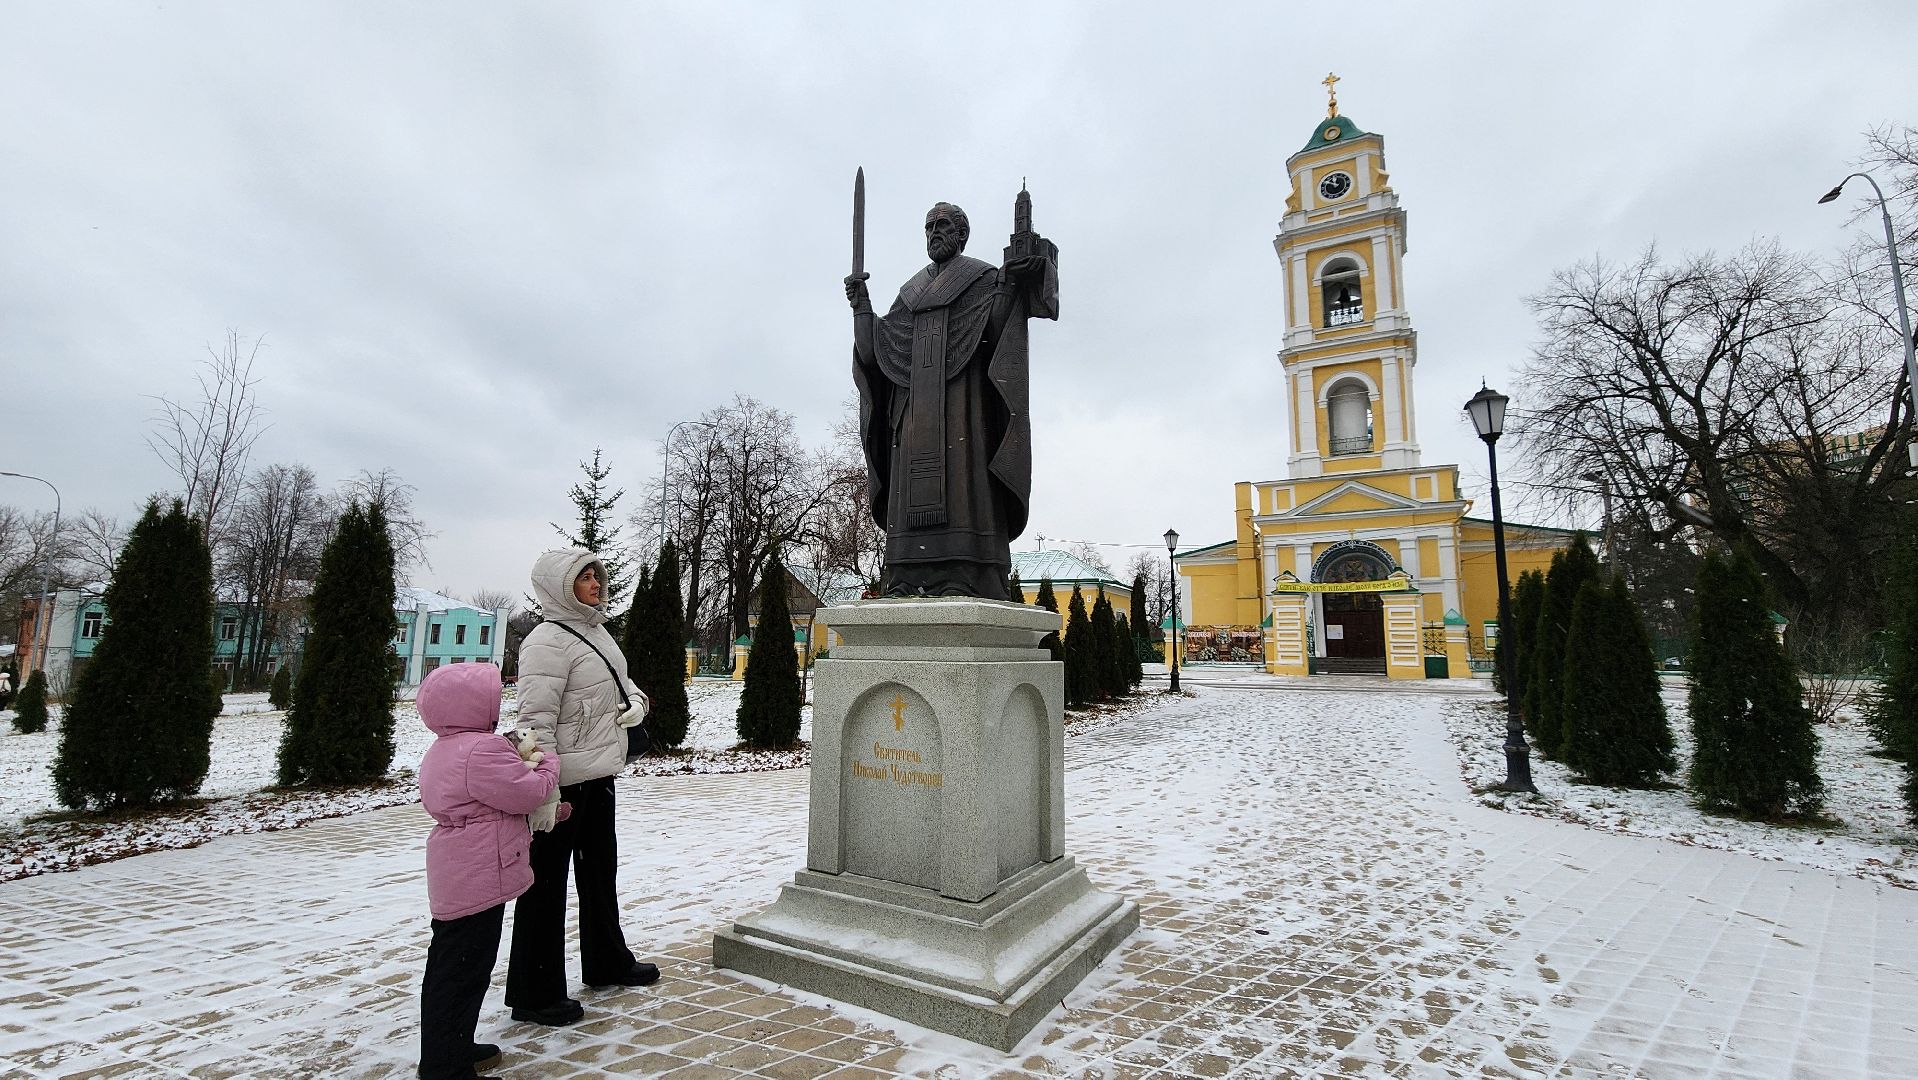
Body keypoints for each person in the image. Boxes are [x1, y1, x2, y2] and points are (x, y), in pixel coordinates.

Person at [845, 196, 1057, 599]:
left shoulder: (981, 279)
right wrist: (862, 307)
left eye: (942, 225)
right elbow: (877, 353)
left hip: (964, 409)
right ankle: (906, 576)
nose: (934, 233)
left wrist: (1010, 283)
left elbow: (996, 330)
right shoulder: (909, 294)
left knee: (966, 484)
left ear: (961, 234)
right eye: (929, 226)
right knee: (907, 494)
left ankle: (967, 574)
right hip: (911, 415)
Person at [504, 550, 655, 1025]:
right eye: (584, 577)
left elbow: (622, 684)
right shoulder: (545, 642)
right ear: (559, 586)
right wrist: (543, 789)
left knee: (598, 872)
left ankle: (607, 960)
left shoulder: (598, 631)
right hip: (563, 782)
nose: (595, 583)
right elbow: (535, 721)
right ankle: (536, 990)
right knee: (544, 885)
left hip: (599, 773)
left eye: (596, 575)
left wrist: (637, 705)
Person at [416, 661, 560, 1080]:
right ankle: (446, 1065)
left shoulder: (445, 747)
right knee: (463, 972)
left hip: (459, 871)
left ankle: (452, 1046)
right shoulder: (483, 749)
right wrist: (548, 764)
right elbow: (526, 792)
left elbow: (484, 804)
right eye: (491, 698)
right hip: (479, 874)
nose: (498, 705)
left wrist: (552, 813)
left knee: (451, 966)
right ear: (471, 706)